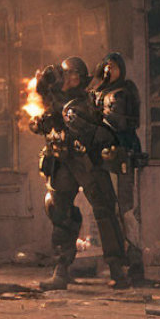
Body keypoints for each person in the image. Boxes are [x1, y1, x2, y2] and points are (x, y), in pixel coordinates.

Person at [29, 57, 130, 290]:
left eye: (76, 75)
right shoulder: (53, 99)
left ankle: (117, 269)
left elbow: (104, 131)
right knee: (60, 212)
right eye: (68, 74)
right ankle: (61, 269)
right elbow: (38, 125)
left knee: (105, 210)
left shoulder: (89, 100)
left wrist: (78, 123)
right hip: (61, 162)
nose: (71, 79)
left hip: (86, 161)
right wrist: (44, 120)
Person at [91, 52, 146, 283]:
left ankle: (135, 263)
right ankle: (117, 263)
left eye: (112, 66)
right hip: (103, 157)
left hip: (122, 153)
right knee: (108, 210)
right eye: (106, 66)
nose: (108, 70)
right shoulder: (99, 92)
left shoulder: (123, 92)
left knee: (127, 211)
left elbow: (119, 122)